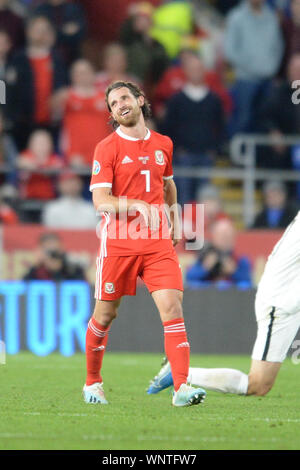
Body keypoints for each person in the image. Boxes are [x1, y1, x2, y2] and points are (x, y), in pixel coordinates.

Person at [83, 80, 206, 407]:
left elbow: (169, 185)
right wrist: (134, 205)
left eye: (124, 97)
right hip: (120, 243)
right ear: (111, 113)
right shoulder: (106, 148)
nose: (119, 105)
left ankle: (181, 388)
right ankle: (92, 382)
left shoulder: (163, 143)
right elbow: (101, 202)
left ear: (140, 100)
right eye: (113, 103)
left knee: (173, 308)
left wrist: (175, 219)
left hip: (156, 243)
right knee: (105, 316)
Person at [148, 210, 300, 397]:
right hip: (282, 300)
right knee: (258, 384)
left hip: (290, 297)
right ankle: (181, 374)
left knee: (259, 385)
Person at [161, 52, 224, 205]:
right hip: (183, 157)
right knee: (183, 198)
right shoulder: (176, 100)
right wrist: (177, 150)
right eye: (192, 69)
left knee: (204, 198)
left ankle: (201, 228)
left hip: (206, 156)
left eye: (199, 68)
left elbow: (221, 127)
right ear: (186, 72)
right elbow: (168, 128)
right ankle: (183, 228)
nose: (196, 72)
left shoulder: (214, 100)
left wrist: (213, 150)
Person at [225, 0, 283, 136]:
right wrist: (252, 67)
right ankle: (236, 155)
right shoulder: (236, 17)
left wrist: (271, 67)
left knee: (266, 123)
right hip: (245, 80)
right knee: (243, 120)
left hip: (268, 80)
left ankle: (261, 156)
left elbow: (278, 46)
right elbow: (230, 50)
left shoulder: (272, 18)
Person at [10, 15, 68, 150]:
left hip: (51, 124)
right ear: (28, 32)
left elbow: (64, 86)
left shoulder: (57, 59)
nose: (41, 34)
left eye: (45, 30)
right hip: (21, 124)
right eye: (37, 30)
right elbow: (3, 86)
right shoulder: (18, 58)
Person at [186, 218, 252, 288]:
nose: (225, 240)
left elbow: (248, 280)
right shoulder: (206, 255)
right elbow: (189, 277)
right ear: (214, 237)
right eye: (222, 236)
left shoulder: (239, 258)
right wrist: (205, 268)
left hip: (233, 295)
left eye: (228, 237)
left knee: (243, 285)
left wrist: (233, 271)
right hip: (207, 295)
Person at [17, 129, 63, 201]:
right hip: (28, 198)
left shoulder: (55, 158)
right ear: (31, 144)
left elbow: (55, 168)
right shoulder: (25, 156)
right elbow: (22, 163)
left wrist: (36, 168)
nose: (42, 146)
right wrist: (43, 168)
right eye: (38, 142)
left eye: (45, 142)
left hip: (50, 199)